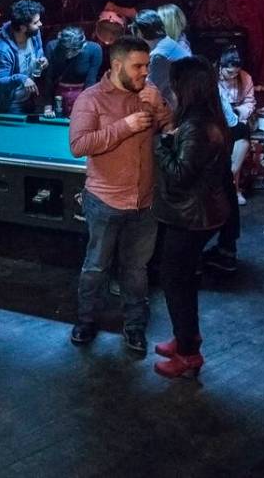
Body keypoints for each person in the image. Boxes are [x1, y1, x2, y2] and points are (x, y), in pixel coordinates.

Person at [68, 36, 171, 354]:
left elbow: (170, 127)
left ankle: (135, 327)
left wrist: (164, 119)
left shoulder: (150, 93)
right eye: (138, 66)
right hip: (104, 200)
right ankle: (86, 321)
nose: (145, 72)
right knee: (96, 266)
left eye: (147, 65)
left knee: (136, 270)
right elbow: (79, 146)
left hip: (145, 201)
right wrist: (125, 126)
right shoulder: (91, 99)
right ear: (116, 65)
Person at [152, 56, 232, 379]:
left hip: (192, 217)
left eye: (175, 82)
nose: (170, 88)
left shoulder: (198, 127)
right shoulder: (206, 119)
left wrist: (160, 141)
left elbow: (178, 175)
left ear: (188, 88)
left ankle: (188, 353)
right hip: (202, 213)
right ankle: (187, 338)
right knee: (183, 279)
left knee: (175, 281)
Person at [203, 47, 256, 273]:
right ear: (220, 68)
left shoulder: (246, 80)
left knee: (243, 131)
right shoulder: (211, 83)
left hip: (234, 119)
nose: (232, 76)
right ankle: (232, 182)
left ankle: (234, 177)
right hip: (218, 125)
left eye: (235, 73)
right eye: (228, 73)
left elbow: (250, 102)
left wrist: (240, 112)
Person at [0, 0, 48, 113]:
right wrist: (21, 78)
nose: (40, 24)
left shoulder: (34, 34)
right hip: (9, 104)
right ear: (22, 28)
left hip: (29, 98)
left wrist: (42, 58)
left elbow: (39, 49)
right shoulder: (2, 50)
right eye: (36, 23)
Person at [131, 8, 190, 105]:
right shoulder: (167, 42)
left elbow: (151, 90)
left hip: (178, 108)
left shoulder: (159, 56)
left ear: (140, 32)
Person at [44, 26, 102, 117]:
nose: (69, 54)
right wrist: (48, 107)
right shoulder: (52, 47)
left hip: (82, 95)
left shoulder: (95, 50)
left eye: (74, 50)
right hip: (58, 96)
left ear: (83, 45)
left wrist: (83, 108)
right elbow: (49, 79)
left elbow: (90, 82)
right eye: (66, 50)